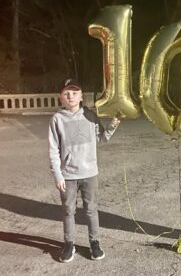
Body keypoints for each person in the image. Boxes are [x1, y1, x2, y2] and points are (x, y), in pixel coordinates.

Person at [48, 78, 121, 263]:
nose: (70, 95)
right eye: (66, 92)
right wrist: (57, 174)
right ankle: (69, 244)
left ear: (81, 96)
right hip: (68, 176)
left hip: (89, 173)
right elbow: (53, 149)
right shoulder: (57, 119)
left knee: (91, 211)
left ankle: (95, 243)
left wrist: (113, 125)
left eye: (74, 92)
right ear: (60, 97)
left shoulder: (90, 116)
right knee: (68, 212)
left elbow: (102, 138)